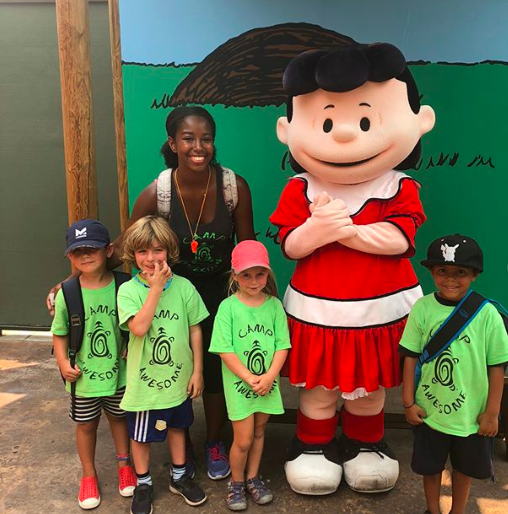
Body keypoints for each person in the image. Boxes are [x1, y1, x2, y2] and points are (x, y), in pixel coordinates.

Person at [47, 106, 256, 480]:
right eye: (188, 139)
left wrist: (256, 295)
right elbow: (122, 248)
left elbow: (247, 247)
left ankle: (213, 440)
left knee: (214, 369)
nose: (198, 147)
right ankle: (182, 442)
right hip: (169, 292)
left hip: (219, 293)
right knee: (173, 364)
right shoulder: (157, 193)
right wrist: (72, 281)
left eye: (206, 139)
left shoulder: (232, 187)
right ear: (173, 143)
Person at [269, 43, 436, 494]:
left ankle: (366, 445)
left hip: (382, 312)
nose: (343, 134)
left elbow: (399, 240)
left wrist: (343, 231)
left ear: (421, 120)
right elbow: (291, 245)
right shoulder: (300, 187)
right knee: (318, 389)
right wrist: (316, 229)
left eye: (365, 121)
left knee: (371, 389)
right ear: (286, 130)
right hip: (318, 313)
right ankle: (313, 446)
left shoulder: (399, 185)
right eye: (325, 122)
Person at [399, 234, 508, 514]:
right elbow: (410, 356)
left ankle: (458, 511)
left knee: (464, 469)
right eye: (442, 270)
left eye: (460, 272)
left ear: (474, 275)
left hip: (470, 416)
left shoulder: (487, 314)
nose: (450, 279)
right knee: (430, 468)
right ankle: (432, 510)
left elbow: (497, 366)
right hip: (429, 412)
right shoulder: (422, 307)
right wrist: (409, 403)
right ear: (432, 272)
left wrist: (492, 413)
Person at [117, 215, 209, 512]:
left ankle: (179, 477)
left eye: (158, 250)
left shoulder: (184, 287)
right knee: (140, 435)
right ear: (133, 254)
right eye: (142, 251)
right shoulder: (128, 291)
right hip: (145, 384)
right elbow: (139, 328)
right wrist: (155, 288)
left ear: (169, 251)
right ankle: (143, 483)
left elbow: (195, 329)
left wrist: (198, 370)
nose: (151, 258)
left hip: (178, 379)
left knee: (178, 427)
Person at [51, 219, 136, 510]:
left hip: (119, 374)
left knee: (119, 419)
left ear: (108, 250)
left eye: (92, 249)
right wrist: (62, 362)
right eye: (78, 251)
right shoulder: (68, 292)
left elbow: (135, 323)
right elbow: (59, 332)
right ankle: (88, 475)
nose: (85, 255)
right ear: (69, 256)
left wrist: (131, 346)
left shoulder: (124, 285)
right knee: (86, 425)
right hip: (82, 378)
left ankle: (125, 465)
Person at [209, 240, 290, 511]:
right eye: (246, 275)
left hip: (267, 384)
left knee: (258, 431)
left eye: (260, 274)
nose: (254, 281)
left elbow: (282, 345)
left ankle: (253, 478)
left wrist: (270, 376)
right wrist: (248, 377)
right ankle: (236, 482)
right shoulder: (228, 308)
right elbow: (224, 349)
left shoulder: (274, 306)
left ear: (268, 273)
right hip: (240, 384)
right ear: (234, 275)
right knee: (242, 439)